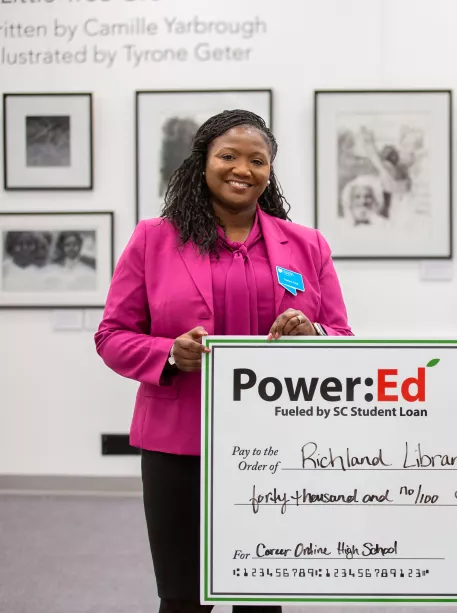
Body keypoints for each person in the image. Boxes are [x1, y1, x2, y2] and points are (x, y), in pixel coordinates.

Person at [94, 109, 353, 613]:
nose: (242, 169)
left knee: (262, 594)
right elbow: (112, 336)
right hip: (179, 444)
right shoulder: (153, 239)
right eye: (228, 156)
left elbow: (340, 335)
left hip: (277, 445)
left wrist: (312, 333)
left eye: (257, 160)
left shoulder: (307, 245)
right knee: (184, 598)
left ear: (269, 171)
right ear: (203, 162)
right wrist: (169, 353)